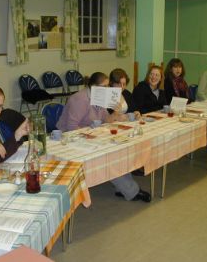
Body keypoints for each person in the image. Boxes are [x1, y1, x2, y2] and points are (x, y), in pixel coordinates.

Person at [57, 72, 151, 202]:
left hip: (88, 135)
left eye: (108, 86)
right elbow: (71, 127)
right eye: (105, 86)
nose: (107, 90)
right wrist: (91, 135)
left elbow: (106, 119)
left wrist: (116, 112)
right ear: (94, 86)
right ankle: (131, 191)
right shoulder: (80, 99)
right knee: (109, 155)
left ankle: (124, 188)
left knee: (117, 149)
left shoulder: (98, 98)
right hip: (67, 139)